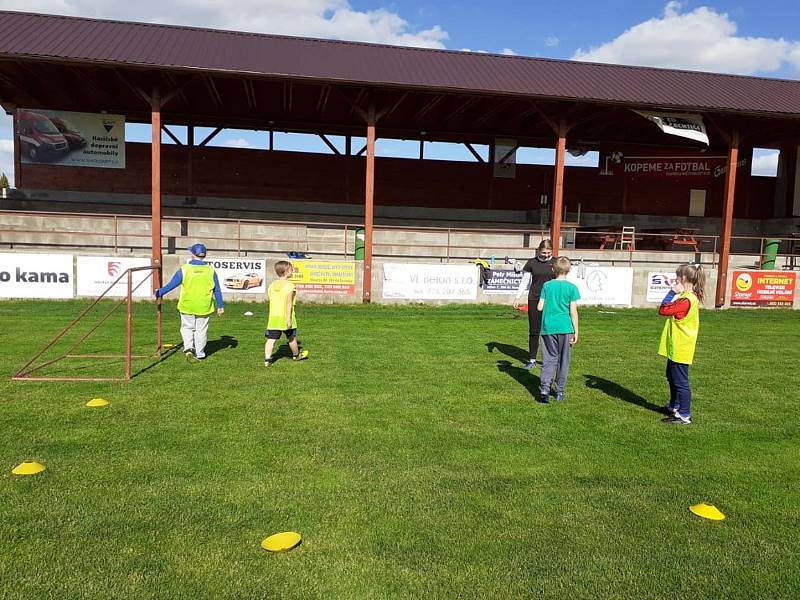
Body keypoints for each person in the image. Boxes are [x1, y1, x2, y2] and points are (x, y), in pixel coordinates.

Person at [155, 243, 224, 362]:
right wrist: (220, 305)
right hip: (204, 306)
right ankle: (200, 353)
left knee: (187, 327)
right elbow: (216, 290)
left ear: (192, 254)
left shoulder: (185, 269)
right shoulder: (210, 270)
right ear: (204, 255)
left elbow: (172, 285)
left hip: (187, 305)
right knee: (201, 330)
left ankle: (188, 348)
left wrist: (158, 292)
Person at [658, 263, 706, 425]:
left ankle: (685, 415)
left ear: (683, 278)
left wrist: (672, 292)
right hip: (676, 345)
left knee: (680, 382)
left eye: (677, 276)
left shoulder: (686, 300)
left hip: (682, 347)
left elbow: (663, 310)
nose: (675, 279)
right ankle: (674, 406)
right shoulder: (688, 297)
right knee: (671, 377)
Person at [536, 256, 580, 403]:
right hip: (565, 328)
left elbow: (539, 307)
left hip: (548, 328)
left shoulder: (547, 286)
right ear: (569, 270)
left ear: (553, 269)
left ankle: (544, 389)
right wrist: (576, 331)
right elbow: (573, 312)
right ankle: (559, 390)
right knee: (563, 360)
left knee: (549, 359)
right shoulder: (572, 288)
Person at [513, 239, 555, 369]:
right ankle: (532, 359)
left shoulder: (557, 262)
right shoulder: (531, 263)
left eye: (548, 253)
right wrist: (517, 297)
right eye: (543, 253)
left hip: (551, 300)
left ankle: (550, 359)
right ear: (538, 250)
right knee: (534, 330)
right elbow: (525, 281)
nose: (546, 255)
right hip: (535, 298)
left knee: (551, 331)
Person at [264, 260, 309, 367]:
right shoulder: (290, 286)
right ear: (287, 272)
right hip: (286, 317)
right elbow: (289, 303)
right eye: (291, 269)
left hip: (273, 317)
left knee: (271, 339)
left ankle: (267, 360)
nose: (293, 270)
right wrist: (288, 319)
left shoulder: (271, 285)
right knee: (291, 338)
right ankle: (296, 355)